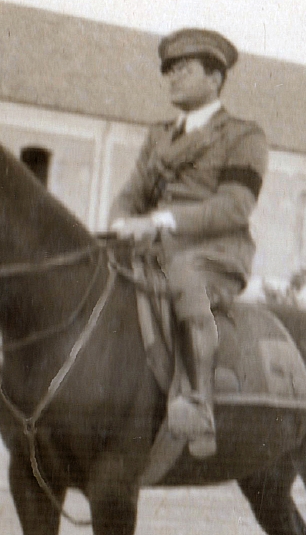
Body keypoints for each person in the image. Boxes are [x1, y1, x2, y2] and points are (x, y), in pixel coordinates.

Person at [109, 28, 268, 458]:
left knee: (184, 276)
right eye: (170, 71)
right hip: (154, 251)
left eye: (185, 69)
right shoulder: (158, 136)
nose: (173, 78)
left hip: (215, 254)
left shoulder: (243, 137)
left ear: (215, 79)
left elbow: (235, 207)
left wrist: (162, 220)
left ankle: (200, 401)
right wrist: (121, 222)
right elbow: (131, 194)